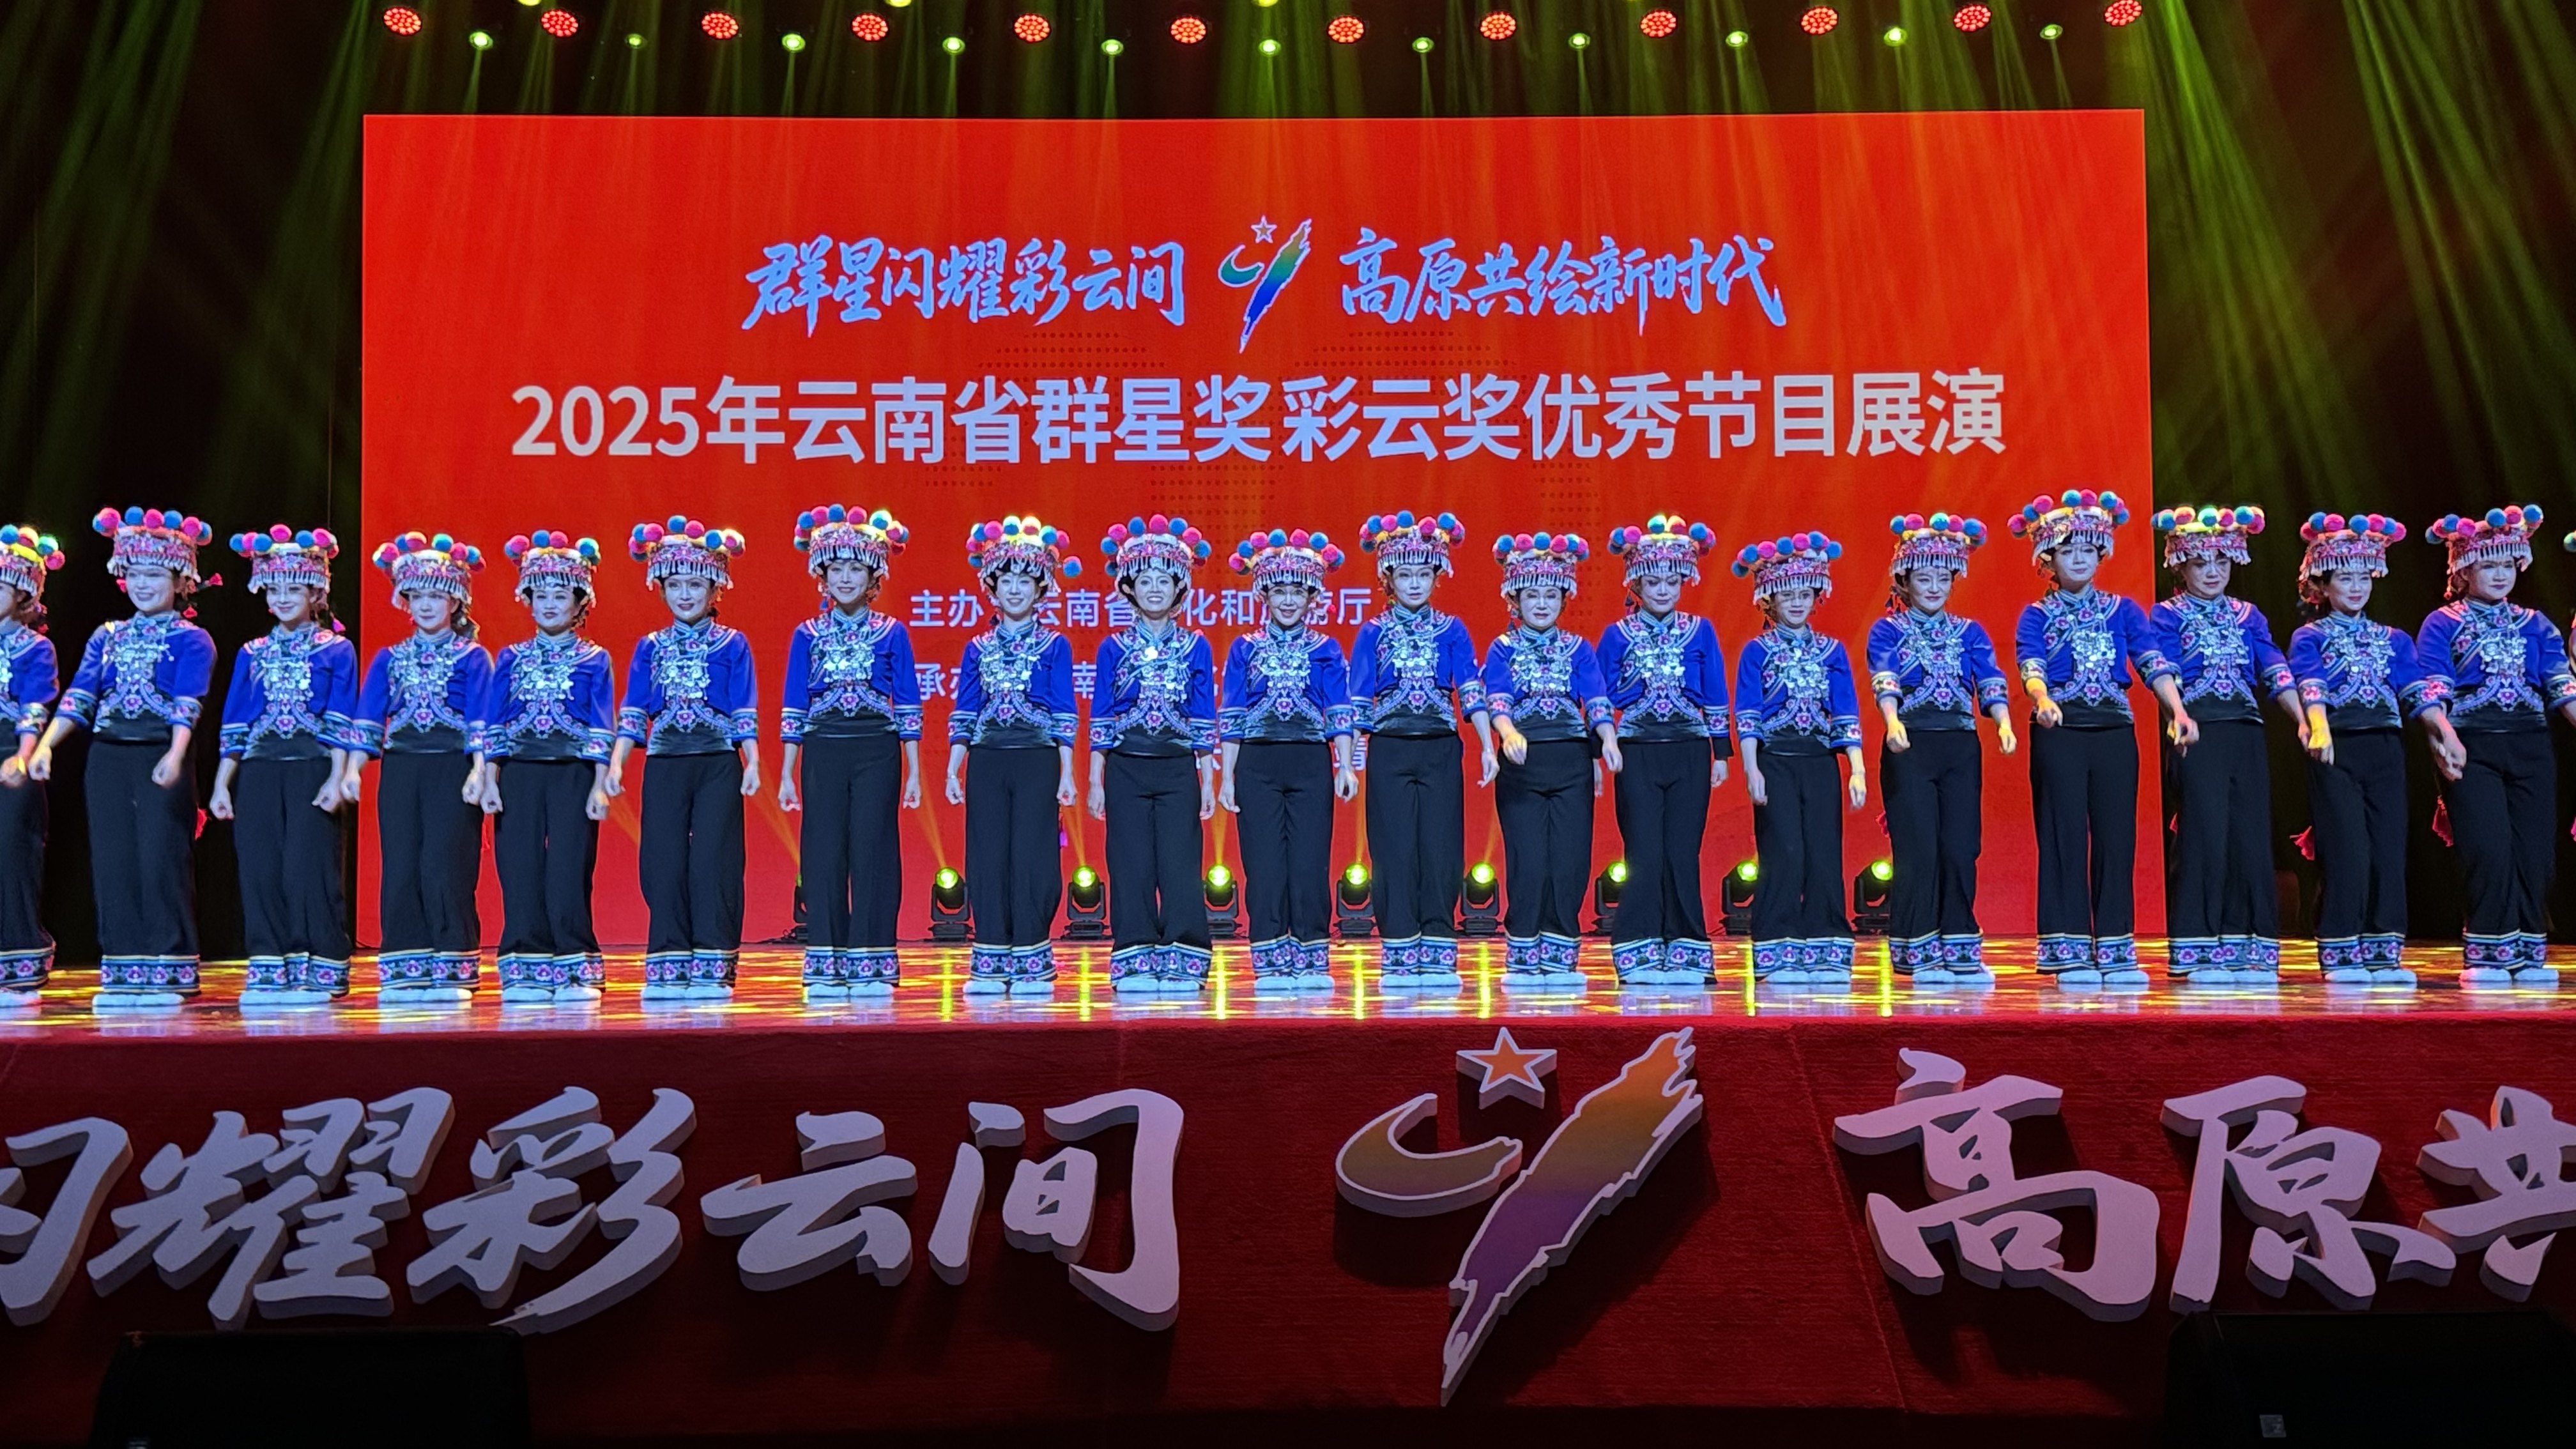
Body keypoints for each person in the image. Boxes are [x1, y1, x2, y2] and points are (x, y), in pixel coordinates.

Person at [31, 507, 217, 1009]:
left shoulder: (192, 639)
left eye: (154, 575)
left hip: (160, 754)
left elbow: (189, 702)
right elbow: (80, 695)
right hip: (107, 757)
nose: (142, 584)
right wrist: (46, 746)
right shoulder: (107, 635)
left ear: (181, 582)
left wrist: (177, 754)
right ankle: (124, 969)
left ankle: (170, 968)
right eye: (134, 574)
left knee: (161, 859)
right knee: (113, 861)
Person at [2009, 490, 2184, 988]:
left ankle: (2115, 947)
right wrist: (2042, 698)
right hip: (2060, 731)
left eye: (2088, 549)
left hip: (2114, 731)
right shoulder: (2036, 614)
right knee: (2063, 837)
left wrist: (2177, 711)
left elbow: (2152, 662)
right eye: (2068, 551)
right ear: (2048, 559)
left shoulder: (2122, 610)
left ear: (2101, 553)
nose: (2080, 559)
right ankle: (2067, 950)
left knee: (2116, 837)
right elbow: (2031, 664)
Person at [2288, 514, 2462, 986]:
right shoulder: (2311, 636)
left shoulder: (2394, 639)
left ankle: (2384, 952)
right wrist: (2319, 728)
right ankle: (2341, 949)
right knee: (2347, 848)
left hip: (2385, 747)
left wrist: (2445, 733)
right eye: (2345, 578)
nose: (2357, 587)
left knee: (2388, 848)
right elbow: (2311, 684)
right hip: (2336, 748)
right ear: (2322, 585)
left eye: (2364, 577)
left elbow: (2417, 692)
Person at [2149, 505, 2306, 985]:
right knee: (2205, 834)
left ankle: (2249, 945)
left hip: (2246, 731)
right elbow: (2163, 669)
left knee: (2249, 835)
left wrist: (2303, 720)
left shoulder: (2248, 615)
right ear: (2181, 567)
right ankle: (2198, 946)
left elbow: (2274, 667)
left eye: (2222, 561)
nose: (2213, 571)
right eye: (2201, 563)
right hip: (2198, 731)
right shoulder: (2168, 614)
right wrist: (2177, 714)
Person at [2418, 505, 2575, 985]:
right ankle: (2488, 953)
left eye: (2508, 564)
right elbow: (2431, 690)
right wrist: (2444, 737)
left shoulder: (2536, 624)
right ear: (2464, 570)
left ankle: (2528, 952)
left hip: (2531, 745)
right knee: (2488, 849)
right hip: (2472, 747)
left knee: (2535, 852)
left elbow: (2563, 687)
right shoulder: (2442, 623)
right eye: (2489, 565)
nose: (2501, 574)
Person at [209, 526, 360, 1006]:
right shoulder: (251, 652)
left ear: (316, 593)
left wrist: (337, 777)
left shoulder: (336, 648)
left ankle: (322, 966)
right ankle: (270, 965)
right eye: (274, 588)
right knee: (260, 869)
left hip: (313, 767)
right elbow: (236, 720)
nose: (282, 597)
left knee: (308, 870)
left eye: (294, 588)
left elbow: (341, 717)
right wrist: (221, 785)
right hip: (259, 770)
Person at [610, 518, 758, 1002]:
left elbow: (743, 706)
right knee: (663, 861)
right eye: (675, 585)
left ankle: (713, 962)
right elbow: (634, 708)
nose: (685, 594)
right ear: (661, 589)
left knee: (714, 861)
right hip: (665, 762)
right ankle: (669, 960)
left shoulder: (732, 643)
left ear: (715, 589)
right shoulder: (650, 647)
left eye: (695, 585)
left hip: (717, 761)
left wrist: (753, 761)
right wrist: (617, 764)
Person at [779, 505, 921, 1000]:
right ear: (821, 575)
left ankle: (872, 959)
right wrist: (787, 772)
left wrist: (914, 771)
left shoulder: (892, 632)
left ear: (874, 575)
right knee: (823, 853)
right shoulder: (806, 634)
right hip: (823, 749)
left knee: (874, 851)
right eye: (836, 568)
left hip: (877, 750)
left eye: (855, 569)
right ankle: (827, 959)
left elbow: (907, 703)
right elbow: (795, 703)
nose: (845, 578)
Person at [343, 532, 493, 1002]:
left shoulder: (473, 656)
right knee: (402, 862)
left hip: (453, 769)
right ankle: (406, 965)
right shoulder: (390, 658)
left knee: (445, 864)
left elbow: (482, 718)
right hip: (402, 769)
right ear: (405, 601)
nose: (426, 605)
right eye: (417, 596)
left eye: (437, 596)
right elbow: (369, 718)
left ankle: (453, 963)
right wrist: (351, 770)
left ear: (456, 601)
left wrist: (480, 770)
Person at [1867, 512, 2014, 986]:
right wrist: (1892, 721)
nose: (1934, 588)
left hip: (1960, 745)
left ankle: (1960, 945)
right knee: (1919, 849)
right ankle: (1918, 950)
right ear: (1905, 581)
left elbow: (1989, 678)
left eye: (1942, 579)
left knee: (1961, 846)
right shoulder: (1887, 630)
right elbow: (1885, 678)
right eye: (1923, 578)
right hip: (1909, 743)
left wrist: (2003, 722)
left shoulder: (1970, 631)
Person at [1352, 510, 1492, 990]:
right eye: (1405, 575)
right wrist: (1350, 758)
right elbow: (1359, 698)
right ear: (1388, 579)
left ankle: (1437, 945)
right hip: (1390, 748)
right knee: (1393, 849)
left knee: (1441, 848)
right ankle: (1398, 946)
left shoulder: (1452, 629)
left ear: (1437, 576)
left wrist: (1487, 744)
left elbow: (1469, 689)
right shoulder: (1373, 631)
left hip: (1440, 747)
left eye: (1423, 574)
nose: (1414, 583)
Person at [472, 530, 614, 1005]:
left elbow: (601, 724)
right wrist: (490, 779)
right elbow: (495, 721)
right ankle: (524, 964)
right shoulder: (511, 657)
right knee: (519, 868)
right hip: (519, 774)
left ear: (580, 602)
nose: (550, 605)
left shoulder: (595, 658)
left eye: (561, 596)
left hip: (573, 774)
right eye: (541, 596)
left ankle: (575, 963)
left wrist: (600, 786)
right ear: (528, 601)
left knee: (569, 870)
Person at [1220, 528, 1356, 993]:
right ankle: (1270, 958)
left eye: (1298, 592)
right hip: (1256, 763)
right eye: (1279, 591)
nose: (1288, 601)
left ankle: (1312, 954)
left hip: (1310, 762)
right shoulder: (1244, 647)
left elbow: (1339, 710)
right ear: (1264, 595)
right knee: (1264, 865)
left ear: (1312, 596)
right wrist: (1226, 778)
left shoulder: (1326, 648)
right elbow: (1233, 714)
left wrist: (1345, 764)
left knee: (1309, 862)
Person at [949, 516, 1080, 996]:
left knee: (1034, 856)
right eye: (1007, 580)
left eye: (1026, 581)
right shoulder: (977, 647)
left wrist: (1068, 772)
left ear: (1041, 588)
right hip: (987, 759)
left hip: (1037, 760)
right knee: (987, 856)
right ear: (992, 588)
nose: (1016, 589)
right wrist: (953, 767)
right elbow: (966, 709)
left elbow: (1064, 711)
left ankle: (1031, 956)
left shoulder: (1055, 645)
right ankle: (989, 957)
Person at [1089, 515, 1219, 993]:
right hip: (1126, 767)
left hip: (1179, 767)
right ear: (1129, 588)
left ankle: (1185, 956)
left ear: (1180, 587)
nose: (1155, 589)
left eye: (1164, 580)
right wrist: (1095, 780)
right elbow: (1102, 716)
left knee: (1180, 863)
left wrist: (1209, 777)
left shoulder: (1195, 645)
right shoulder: (1113, 647)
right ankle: (1135, 957)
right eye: (1145, 580)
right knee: (1130, 864)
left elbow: (1203, 715)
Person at [1731, 532, 1867, 985]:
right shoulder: (1757, 651)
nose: (1796, 603)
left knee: (1824, 853)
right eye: (1786, 595)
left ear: (1816, 597)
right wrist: (1751, 768)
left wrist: (1857, 768)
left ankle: (1827, 946)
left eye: (1804, 594)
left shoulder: (1832, 651)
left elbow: (1845, 711)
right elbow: (1748, 713)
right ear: (1769, 600)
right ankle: (1779, 948)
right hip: (1775, 760)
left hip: (1820, 760)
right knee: (1784, 851)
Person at [1483, 531, 1618, 991]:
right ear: (1515, 599)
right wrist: (1508, 733)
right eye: (1532, 595)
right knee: (1528, 860)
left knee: (1569, 860)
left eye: (1551, 595)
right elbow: (1497, 700)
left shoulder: (1579, 648)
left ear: (1564, 599)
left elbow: (1596, 699)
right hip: (1523, 764)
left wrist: (1607, 740)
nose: (1541, 604)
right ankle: (1523, 954)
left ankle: (1561, 954)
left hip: (1571, 762)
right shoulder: (1502, 647)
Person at [1598, 516, 1728, 986]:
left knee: (1682, 852)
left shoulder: (1700, 630)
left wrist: (1721, 753)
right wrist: (1599, 753)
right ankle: (1638, 951)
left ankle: (1688, 950)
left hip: (1690, 750)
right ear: (1635, 584)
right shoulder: (1617, 634)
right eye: (1653, 582)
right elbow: (1599, 695)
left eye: (1672, 582)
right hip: (1636, 751)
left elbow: (1715, 690)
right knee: (1644, 852)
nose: (1663, 590)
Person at [0, 523, 65, 1004]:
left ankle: (19, 967)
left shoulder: (35, 647)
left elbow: (34, 710)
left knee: (12, 857)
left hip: (10, 754)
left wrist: (22, 758)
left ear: (24, 593)